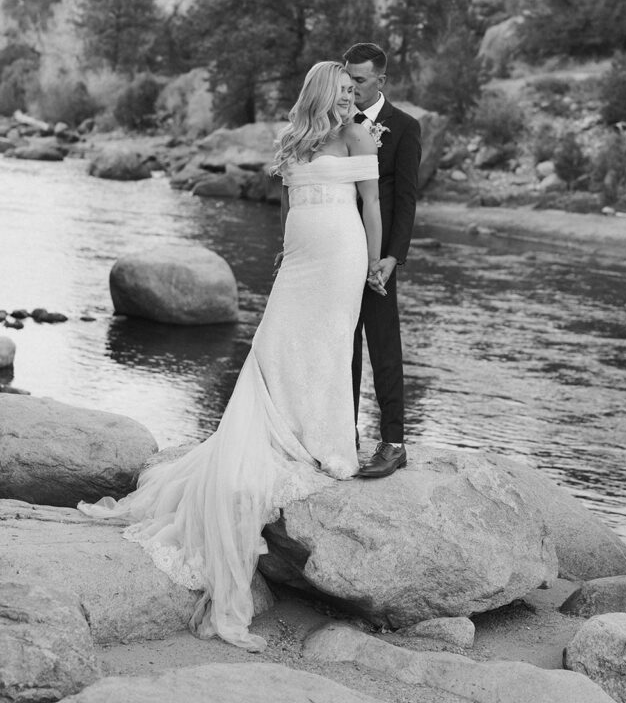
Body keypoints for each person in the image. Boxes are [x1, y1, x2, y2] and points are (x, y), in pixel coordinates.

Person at [78, 61, 382, 651]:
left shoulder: (357, 135)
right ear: (322, 91)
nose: (352, 98)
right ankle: (282, 431)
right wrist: (285, 256)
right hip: (300, 261)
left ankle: (324, 440)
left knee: (327, 343)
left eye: (355, 91)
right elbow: (295, 208)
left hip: (343, 258)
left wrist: (373, 262)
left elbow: (370, 204)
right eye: (343, 90)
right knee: (279, 343)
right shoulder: (296, 137)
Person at [343, 43, 422, 478]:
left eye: (359, 80)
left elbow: (406, 200)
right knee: (343, 345)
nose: (351, 87)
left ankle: (393, 442)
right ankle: (344, 434)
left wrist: (392, 257)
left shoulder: (405, 127)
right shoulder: (335, 123)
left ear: (380, 81)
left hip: (378, 259)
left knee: (384, 347)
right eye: (347, 79)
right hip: (339, 250)